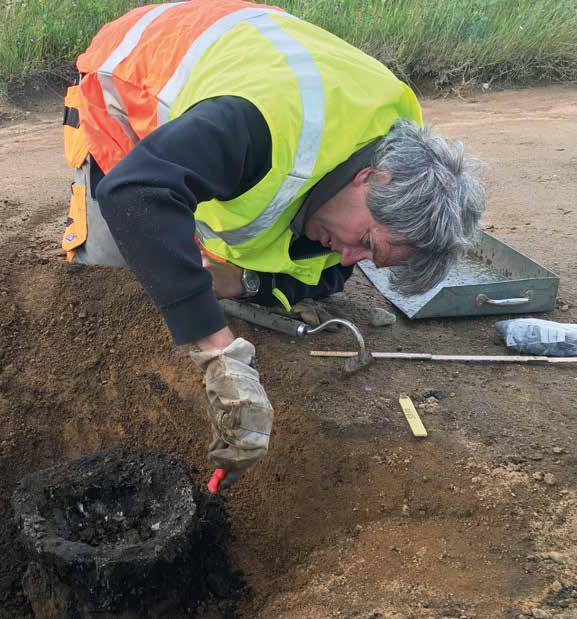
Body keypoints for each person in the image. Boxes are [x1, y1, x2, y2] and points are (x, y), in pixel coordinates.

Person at [59, 0, 486, 489]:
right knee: (122, 272)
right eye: (367, 241)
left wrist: (241, 282)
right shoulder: (261, 128)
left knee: (199, 259)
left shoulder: (386, 174)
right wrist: (219, 354)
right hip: (135, 77)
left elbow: (327, 273)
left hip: (243, 90)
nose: (350, 260)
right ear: (369, 178)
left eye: (373, 258)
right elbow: (137, 190)